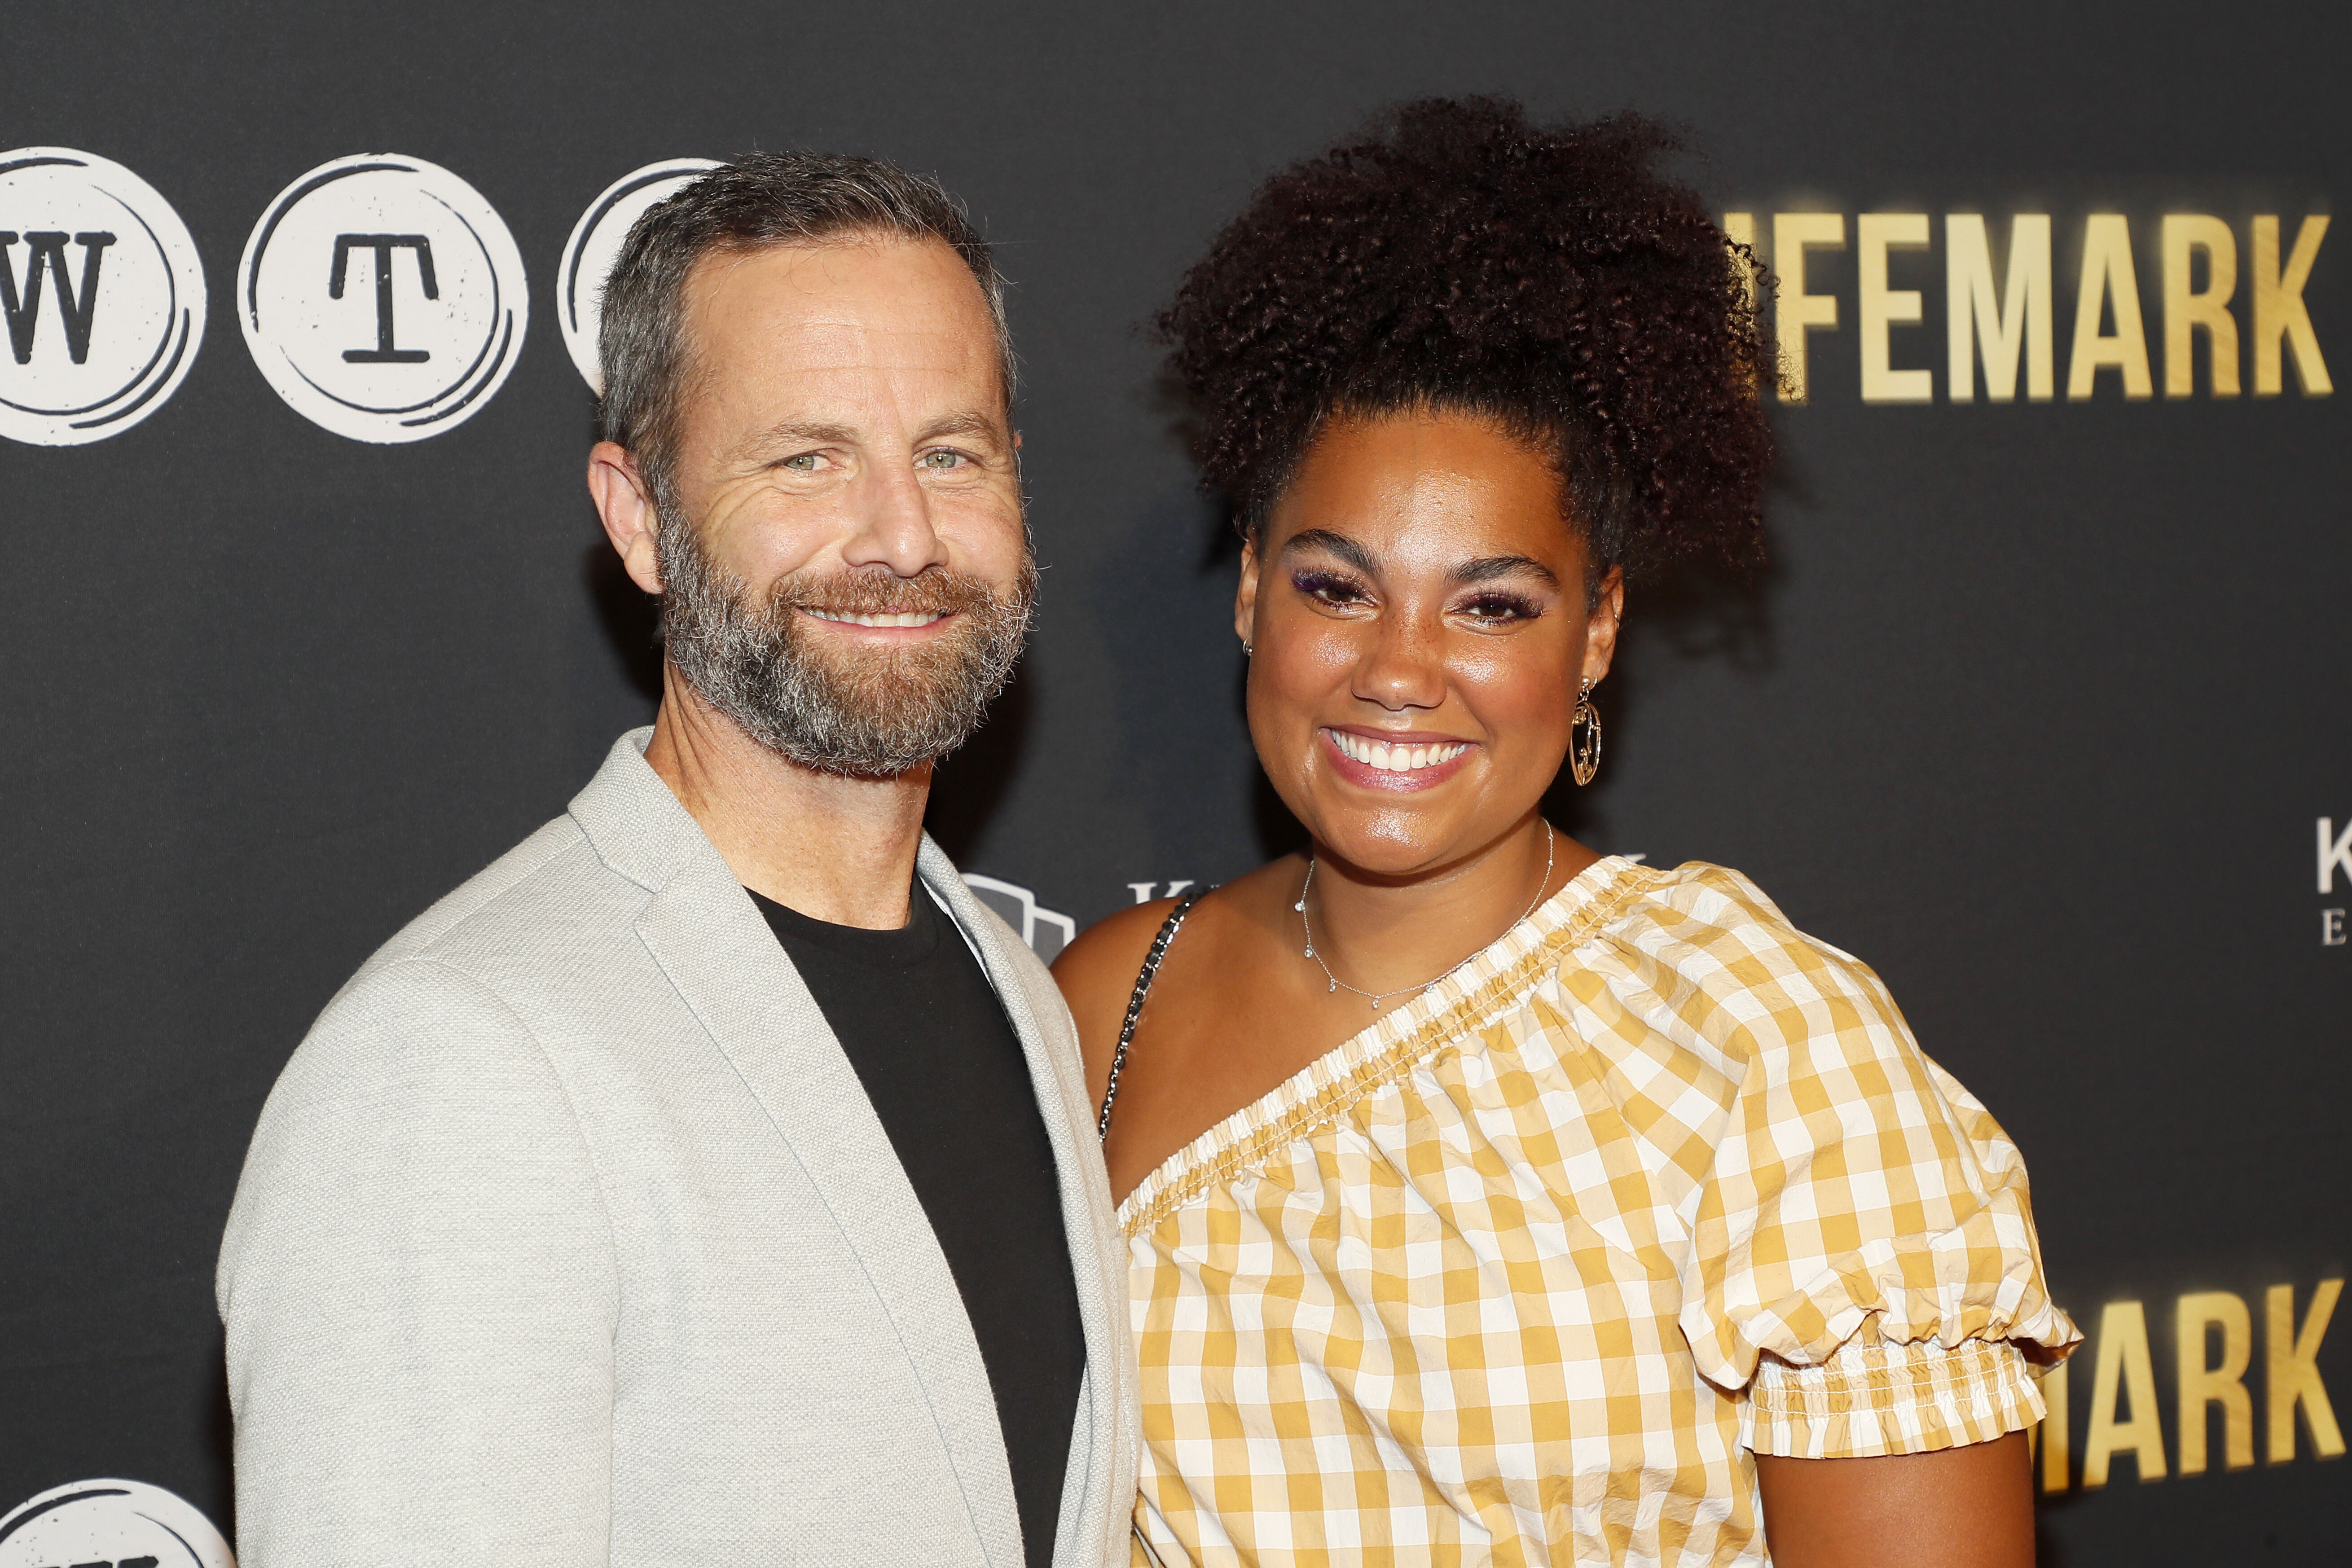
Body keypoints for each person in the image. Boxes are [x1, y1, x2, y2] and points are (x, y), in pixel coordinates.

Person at [1054, 100, 2077, 1567]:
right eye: (1337, 587)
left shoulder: (1761, 1043)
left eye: (1492, 605)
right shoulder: (1110, 1002)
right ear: (1249, 596)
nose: (1400, 670)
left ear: (1596, 632)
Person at [218, 153, 1135, 1568]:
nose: (902, 536)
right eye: (806, 458)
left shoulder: (1019, 996)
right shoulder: (456, 1061)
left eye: (951, 455)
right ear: (640, 517)